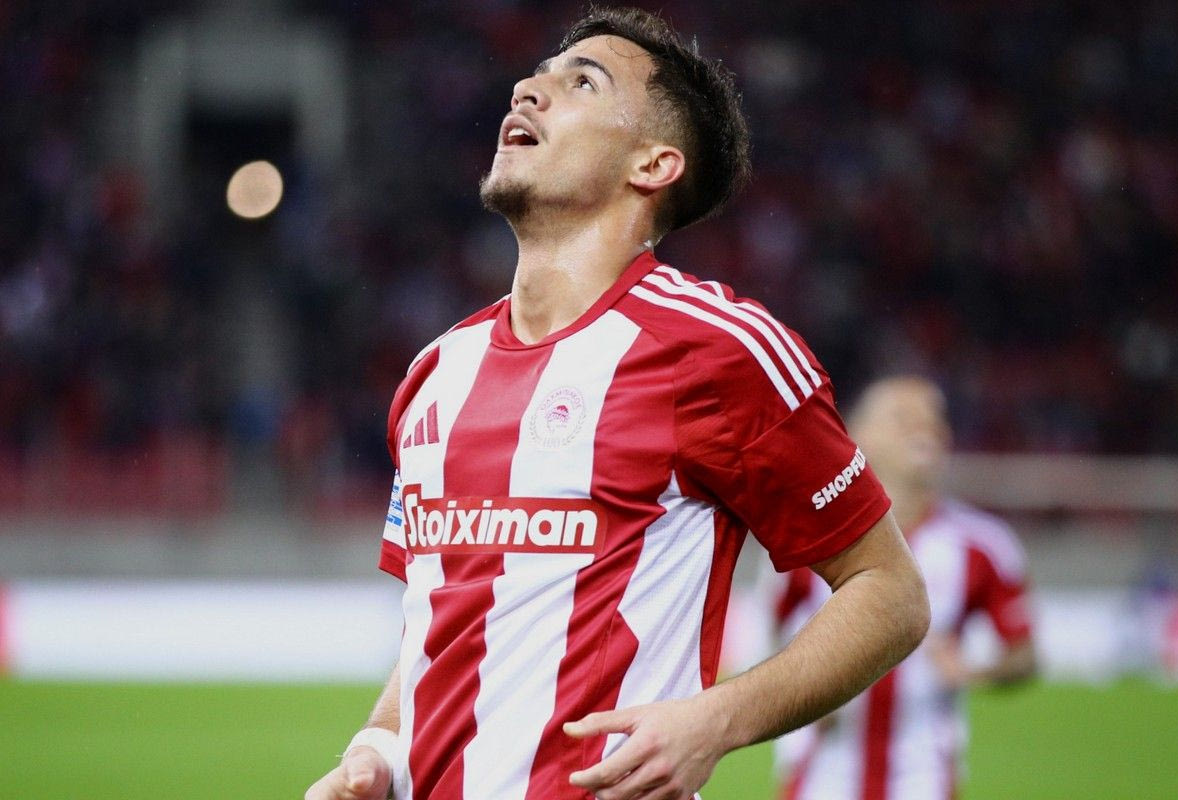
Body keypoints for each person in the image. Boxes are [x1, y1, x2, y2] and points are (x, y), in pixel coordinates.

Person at [306, 8, 929, 800]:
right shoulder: (435, 372)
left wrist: (718, 719)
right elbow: (438, 623)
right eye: (538, 75)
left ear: (654, 164)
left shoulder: (719, 349)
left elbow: (891, 593)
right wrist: (375, 749)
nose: (527, 89)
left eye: (582, 83)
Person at [769, 376, 1037, 800]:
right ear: (859, 437)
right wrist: (798, 693)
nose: (924, 427)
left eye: (934, 417)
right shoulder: (807, 538)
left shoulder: (983, 545)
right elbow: (775, 628)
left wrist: (972, 670)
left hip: (924, 777)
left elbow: (1024, 656)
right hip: (823, 776)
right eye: (903, 417)